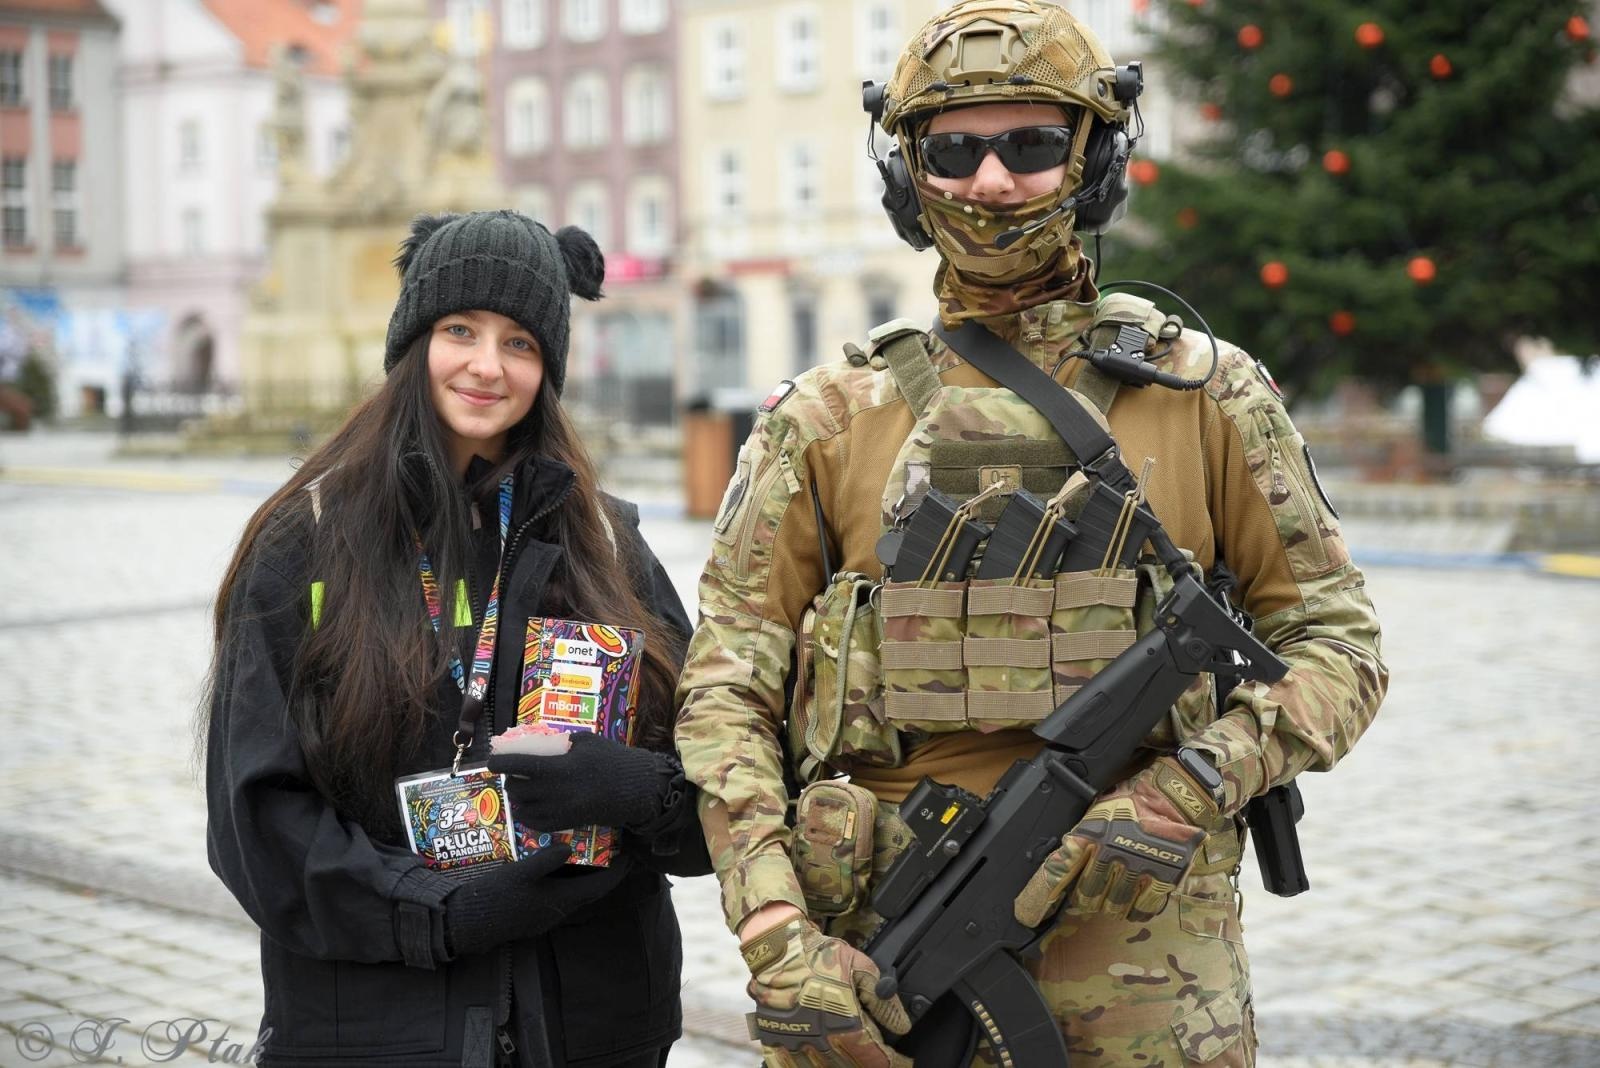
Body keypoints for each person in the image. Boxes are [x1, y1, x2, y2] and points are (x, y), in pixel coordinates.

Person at [674, 2, 1388, 1066]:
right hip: (874, 952)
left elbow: (1340, 649)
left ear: (1092, 160)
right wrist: (777, 934)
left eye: (1032, 144)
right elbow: (725, 688)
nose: (991, 182)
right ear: (908, 172)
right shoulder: (825, 418)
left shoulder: (1207, 396)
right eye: (953, 151)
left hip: (1145, 969)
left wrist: (1187, 788)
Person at [203, 210, 709, 1068]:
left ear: (548, 368)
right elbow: (257, 823)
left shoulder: (605, 541)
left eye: (520, 342)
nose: (487, 365)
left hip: (592, 1028)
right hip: (374, 1031)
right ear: (413, 344)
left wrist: (640, 789)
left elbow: (722, 796)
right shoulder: (307, 537)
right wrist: (433, 913)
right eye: (460, 330)